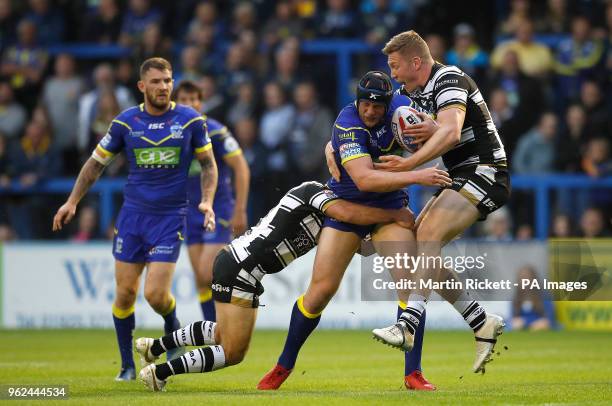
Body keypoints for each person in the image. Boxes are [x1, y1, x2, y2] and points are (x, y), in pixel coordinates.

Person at [258, 71, 452, 392]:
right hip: (349, 208)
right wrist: (418, 175)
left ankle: (412, 374)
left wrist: (432, 129)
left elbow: (440, 129)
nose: (372, 112)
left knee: (409, 283)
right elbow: (363, 180)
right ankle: (283, 365)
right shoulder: (347, 122)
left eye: (378, 106)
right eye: (366, 105)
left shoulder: (403, 110)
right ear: (357, 101)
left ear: (389, 104)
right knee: (320, 292)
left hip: (389, 209)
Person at [135, 180, 416, 391]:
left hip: (240, 265)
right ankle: (159, 374)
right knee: (233, 353)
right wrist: (392, 216)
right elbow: (347, 212)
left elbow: (360, 247)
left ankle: (156, 347)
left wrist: (393, 236)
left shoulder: (335, 218)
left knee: (223, 333)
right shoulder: (317, 193)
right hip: (242, 268)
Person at [52, 57, 218, 381]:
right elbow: (94, 164)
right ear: (142, 86)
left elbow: (209, 166)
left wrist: (208, 202)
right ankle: (127, 365)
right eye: (156, 81)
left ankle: (172, 328)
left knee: (155, 295)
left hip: (170, 217)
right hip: (132, 217)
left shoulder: (190, 121)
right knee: (125, 294)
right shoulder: (125, 123)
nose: (163, 87)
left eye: (167, 81)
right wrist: (72, 201)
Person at [369, 31, 509, 374]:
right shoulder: (407, 94)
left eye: (396, 65)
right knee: (419, 246)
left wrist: (409, 164)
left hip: (486, 169)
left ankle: (408, 325)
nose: (393, 74)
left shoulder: (449, 78)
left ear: (417, 61)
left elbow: (449, 132)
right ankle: (481, 321)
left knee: (428, 232)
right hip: (459, 173)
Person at [173, 80, 250, 321]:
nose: (190, 104)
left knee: (207, 273)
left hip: (218, 209)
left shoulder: (215, 130)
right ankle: (213, 331)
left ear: (201, 101)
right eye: (184, 99)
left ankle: (232, 318)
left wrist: (240, 209)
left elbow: (241, 168)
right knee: (201, 281)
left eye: (194, 99)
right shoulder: (171, 133)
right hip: (188, 211)